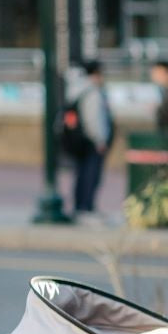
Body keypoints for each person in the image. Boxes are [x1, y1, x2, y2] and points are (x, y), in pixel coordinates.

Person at [64, 60, 113, 221]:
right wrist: (100, 140)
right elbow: (94, 119)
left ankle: (80, 206)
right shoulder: (93, 92)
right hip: (91, 141)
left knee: (81, 174)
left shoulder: (76, 90)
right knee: (91, 175)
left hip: (79, 141)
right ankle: (86, 207)